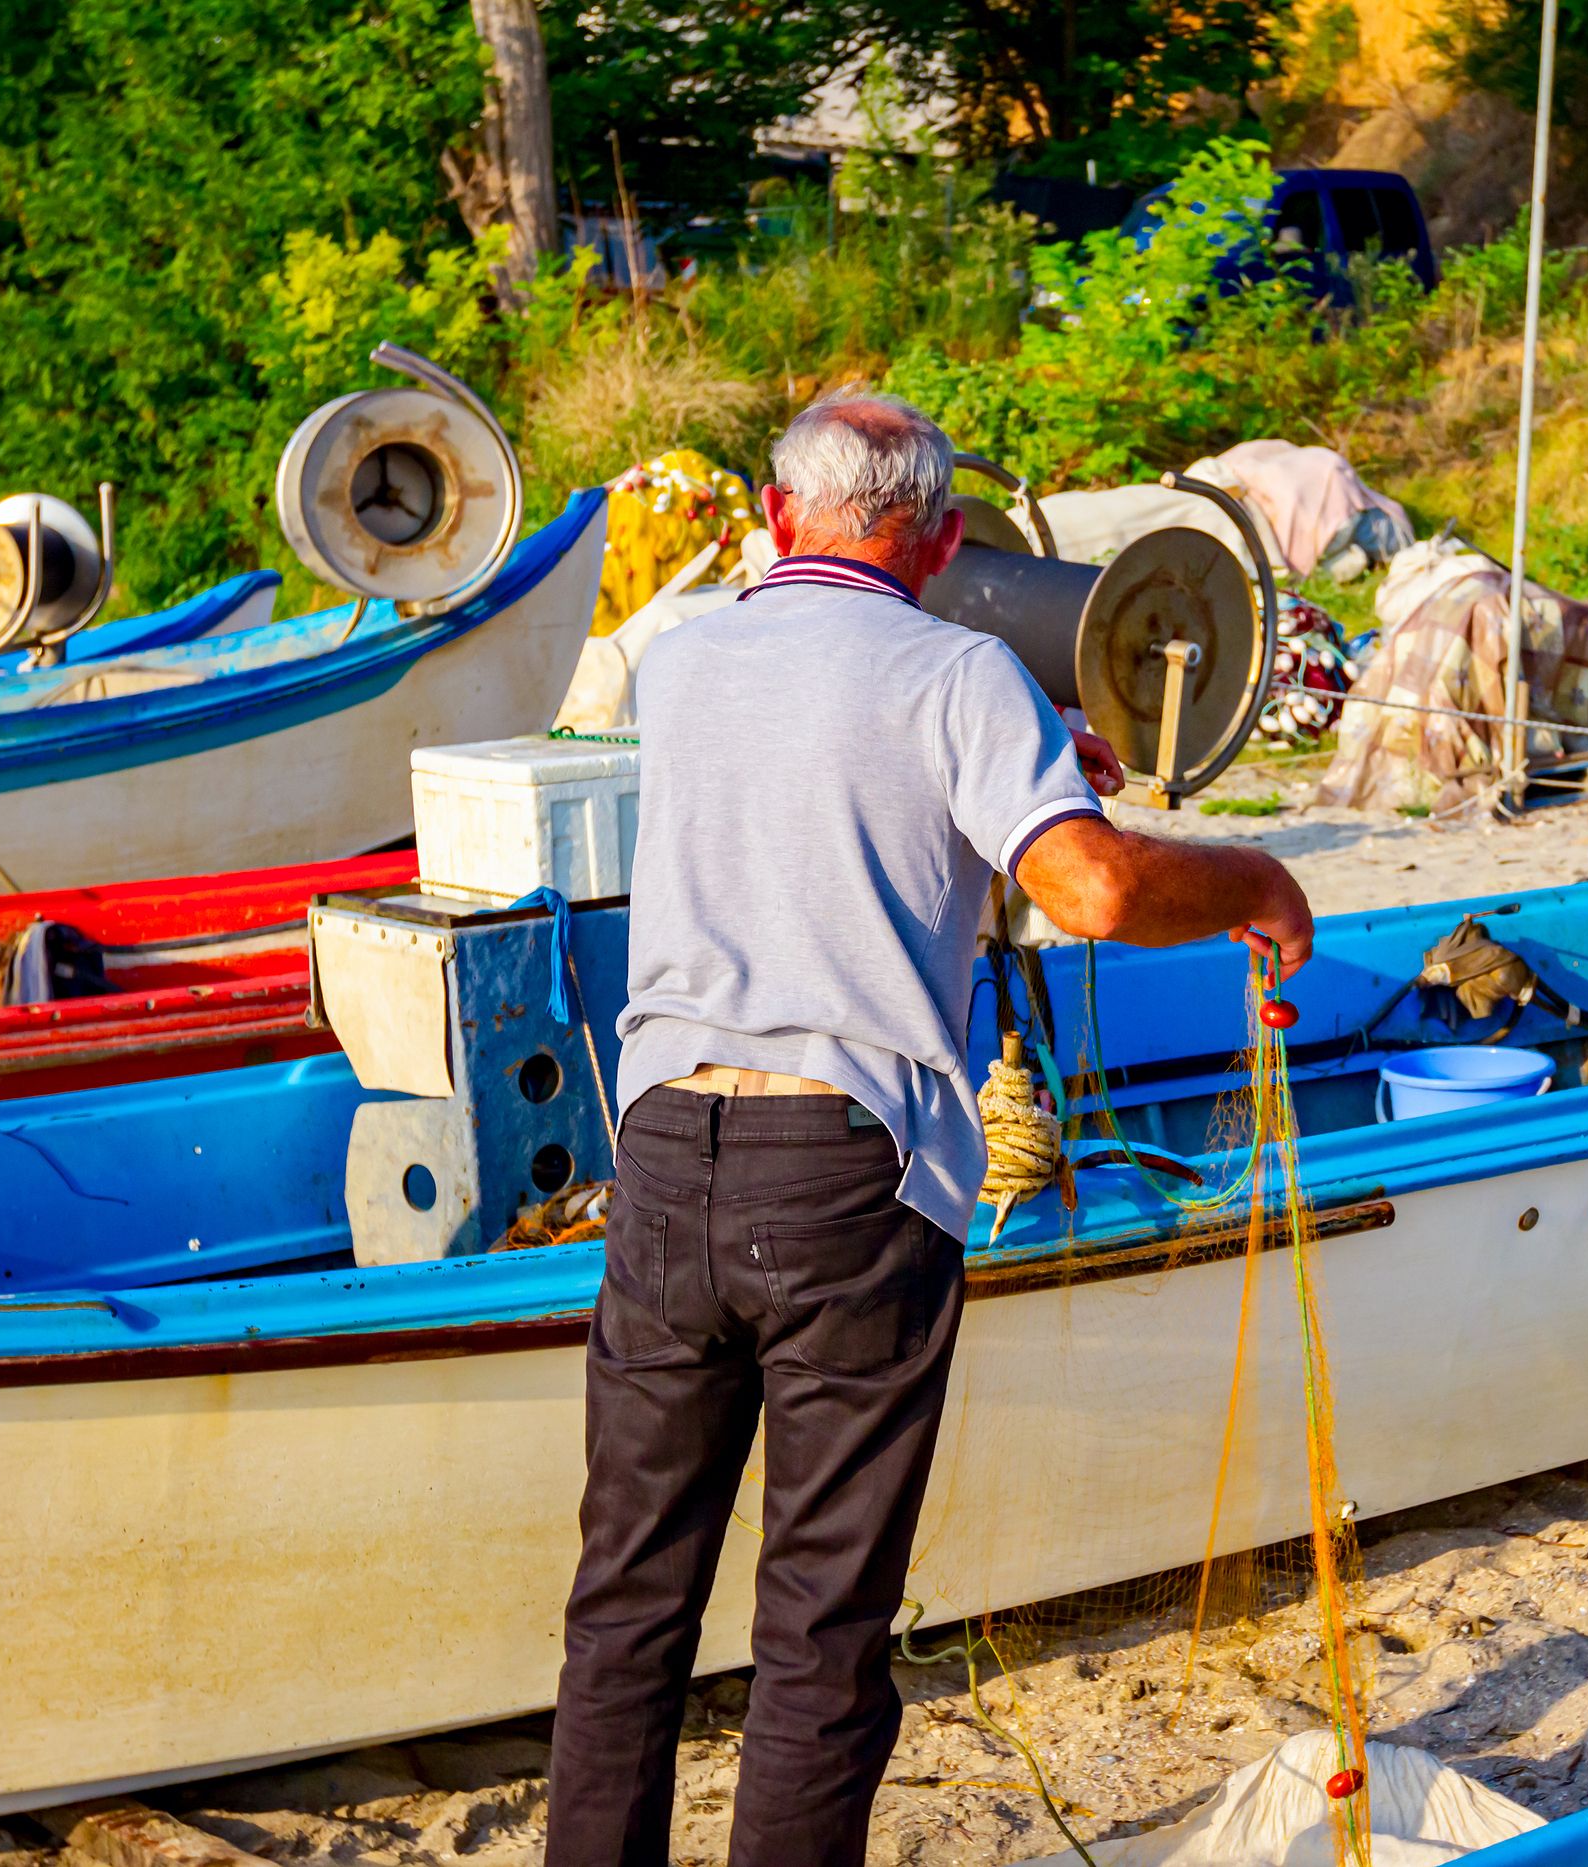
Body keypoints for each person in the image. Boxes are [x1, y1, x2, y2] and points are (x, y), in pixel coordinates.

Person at [545, 393, 1316, 1867]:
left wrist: (1022, 766)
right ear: (947, 540)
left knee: (627, 1604)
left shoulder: (682, 658)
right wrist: (1253, 881)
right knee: (820, 1624)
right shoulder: (964, 674)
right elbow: (1093, 892)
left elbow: (815, 760)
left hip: (662, 1150)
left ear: (775, 515)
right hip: (842, 1168)